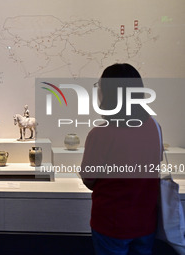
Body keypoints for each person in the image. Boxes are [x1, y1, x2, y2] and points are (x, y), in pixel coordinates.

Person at [80, 63, 162, 255]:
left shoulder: (100, 134)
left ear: (107, 94)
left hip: (111, 224)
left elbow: (89, 179)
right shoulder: (155, 126)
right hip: (145, 222)